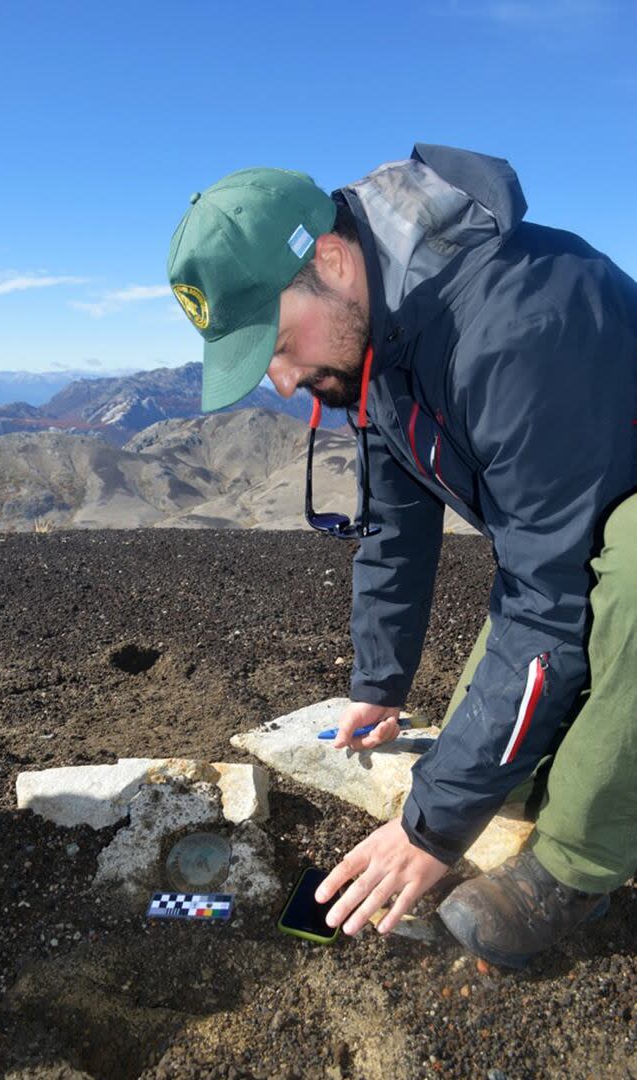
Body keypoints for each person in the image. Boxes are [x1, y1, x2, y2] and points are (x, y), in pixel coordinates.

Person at [167, 146, 637, 969]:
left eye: (273, 343)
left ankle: (579, 867)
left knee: (628, 572)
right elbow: (396, 526)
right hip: (579, 527)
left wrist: (429, 830)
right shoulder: (382, 339)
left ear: (333, 259)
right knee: (499, 764)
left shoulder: (515, 327)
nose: (278, 382)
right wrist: (377, 685)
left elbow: (546, 599)